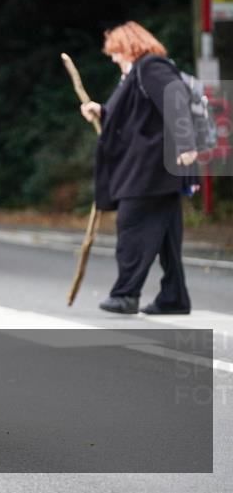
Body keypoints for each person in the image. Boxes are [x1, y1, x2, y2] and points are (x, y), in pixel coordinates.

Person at [80, 21, 198, 315]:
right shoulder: (137, 74)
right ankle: (174, 298)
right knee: (167, 235)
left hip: (150, 169)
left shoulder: (151, 66)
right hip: (155, 169)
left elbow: (175, 101)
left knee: (132, 225)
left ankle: (125, 294)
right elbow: (136, 117)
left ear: (128, 47)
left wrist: (185, 144)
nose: (113, 58)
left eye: (115, 52)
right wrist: (102, 111)